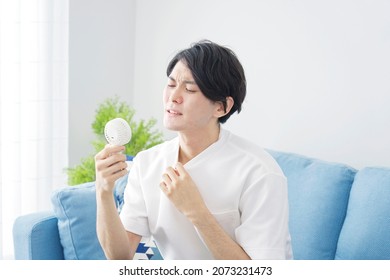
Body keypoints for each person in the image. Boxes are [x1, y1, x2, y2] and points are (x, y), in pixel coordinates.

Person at [94, 40, 292, 260]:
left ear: (221, 106)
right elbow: (119, 257)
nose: (173, 97)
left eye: (189, 89)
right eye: (171, 85)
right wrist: (103, 191)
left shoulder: (259, 172)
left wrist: (196, 212)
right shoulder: (147, 163)